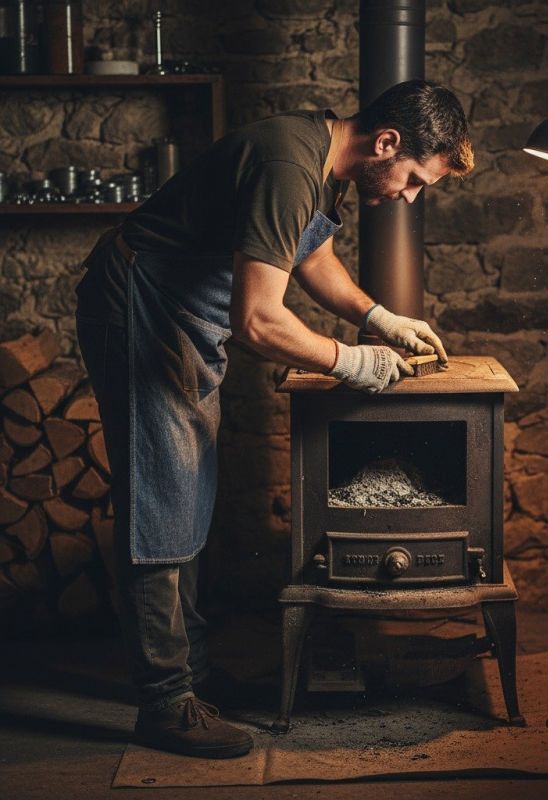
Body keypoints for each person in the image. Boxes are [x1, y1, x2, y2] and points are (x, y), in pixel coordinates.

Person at [74, 79, 474, 759]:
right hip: (141, 305)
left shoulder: (322, 158)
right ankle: (167, 703)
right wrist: (353, 361)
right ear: (387, 143)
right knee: (162, 497)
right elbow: (259, 320)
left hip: (181, 313)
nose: (408, 197)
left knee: (188, 492)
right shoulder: (290, 166)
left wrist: (378, 317)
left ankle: (195, 678)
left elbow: (308, 254)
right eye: (412, 179)